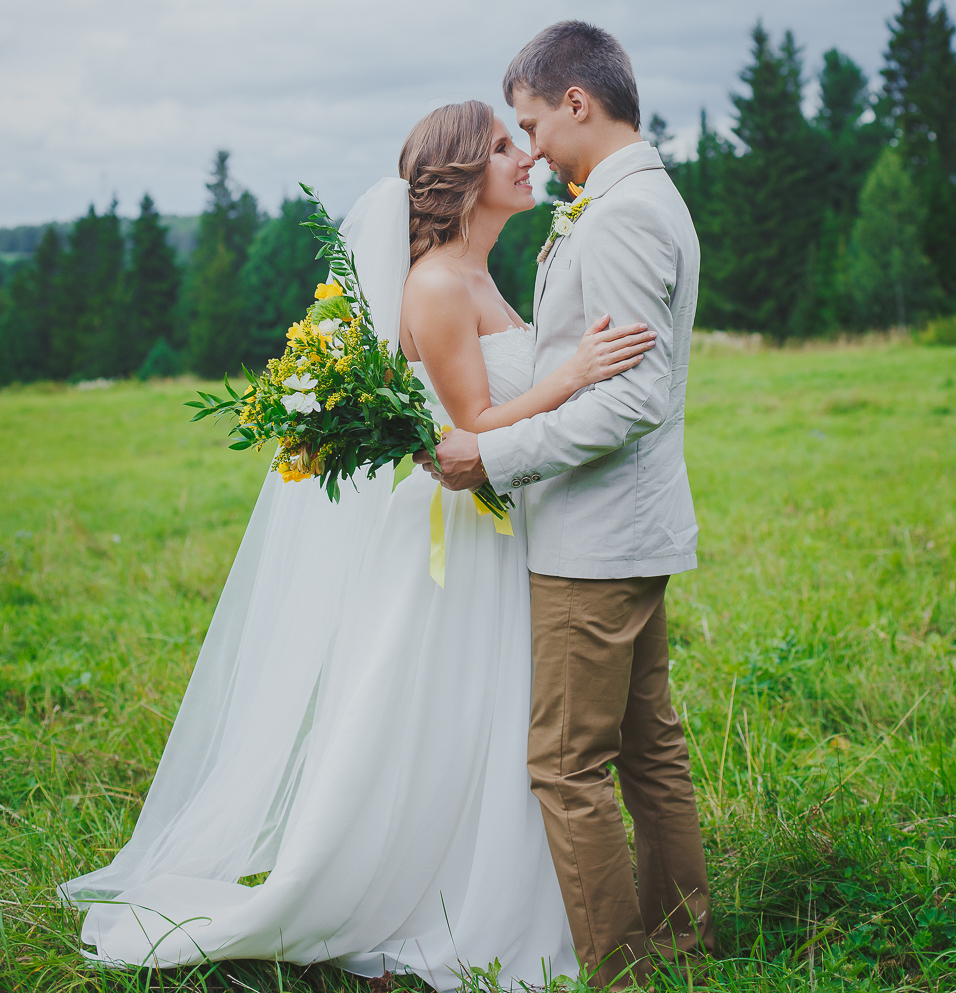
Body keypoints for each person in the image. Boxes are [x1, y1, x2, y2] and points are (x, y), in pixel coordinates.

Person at [60, 97, 656, 986]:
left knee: (486, 716)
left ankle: (486, 877)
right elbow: (475, 424)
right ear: (459, 178)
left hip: (498, 529)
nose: (524, 157)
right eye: (503, 147)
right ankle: (426, 896)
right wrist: (569, 376)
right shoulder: (439, 285)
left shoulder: (485, 273)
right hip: (458, 539)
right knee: (449, 710)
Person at [423, 21, 713, 986]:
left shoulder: (623, 214)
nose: (532, 144)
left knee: (565, 765)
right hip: (625, 530)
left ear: (577, 103)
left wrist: (494, 455)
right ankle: (678, 944)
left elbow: (630, 398)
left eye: (532, 120)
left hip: (595, 539)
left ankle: (621, 970)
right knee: (648, 753)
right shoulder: (631, 199)